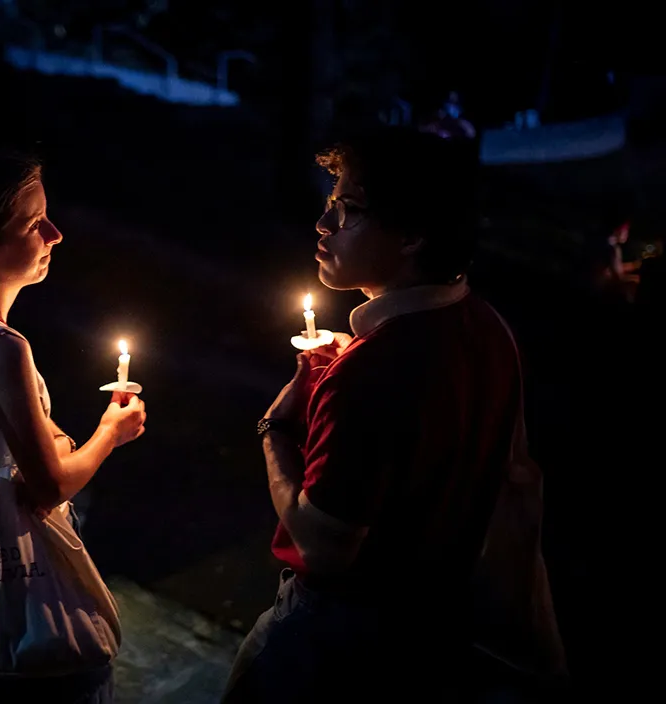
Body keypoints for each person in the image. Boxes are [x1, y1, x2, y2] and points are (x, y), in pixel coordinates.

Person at [224, 129, 566, 702]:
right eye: (331, 204)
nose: (323, 225)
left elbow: (324, 548)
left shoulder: (371, 371)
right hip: (434, 633)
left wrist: (275, 431)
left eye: (349, 209)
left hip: (330, 644)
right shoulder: (487, 328)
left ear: (411, 234)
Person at [0, 154, 146, 703]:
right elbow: (49, 487)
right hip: (27, 568)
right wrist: (110, 431)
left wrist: (45, 435)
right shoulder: (5, 346)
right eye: (34, 223)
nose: (55, 234)